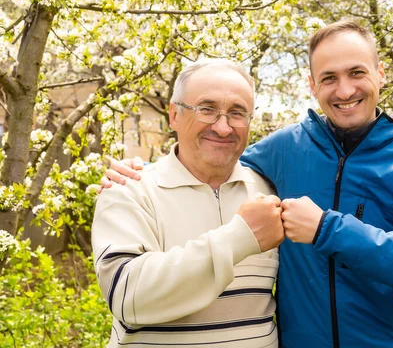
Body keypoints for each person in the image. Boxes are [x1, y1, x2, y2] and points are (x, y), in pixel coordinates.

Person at [101, 20, 393, 347]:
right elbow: (213, 155)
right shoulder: (282, 151)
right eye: (328, 78)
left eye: (357, 72)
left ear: (381, 73)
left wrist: (328, 229)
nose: (344, 90)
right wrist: (143, 171)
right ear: (311, 84)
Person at [92, 59, 285, 347]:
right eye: (206, 109)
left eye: (237, 113)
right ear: (174, 115)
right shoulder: (128, 189)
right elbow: (126, 297)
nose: (223, 127)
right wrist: (239, 237)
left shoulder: (271, 191)